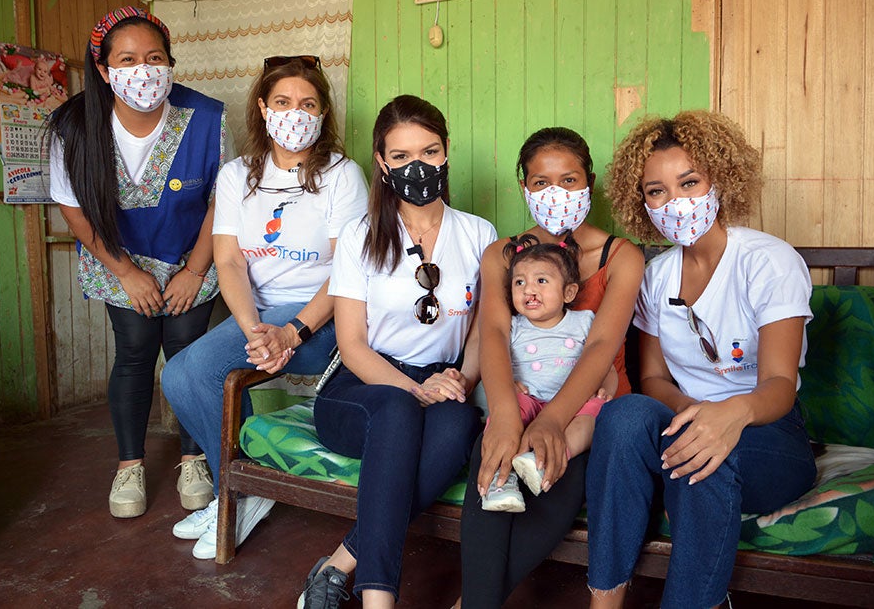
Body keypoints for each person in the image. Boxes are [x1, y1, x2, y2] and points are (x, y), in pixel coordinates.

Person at [587, 110, 818, 608]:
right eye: (657, 191)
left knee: (704, 460)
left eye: (689, 182)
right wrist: (695, 415)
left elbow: (779, 383)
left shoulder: (769, 262)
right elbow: (651, 377)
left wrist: (726, 417)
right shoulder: (657, 275)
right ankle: (604, 601)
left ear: (719, 180)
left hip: (767, 431)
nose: (676, 202)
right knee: (625, 415)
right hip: (682, 418)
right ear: (641, 201)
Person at [163, 55, 369, 560]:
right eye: (282, 102)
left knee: (202, 370)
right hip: (259, 314)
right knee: (183, 375)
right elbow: (229, 260)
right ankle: (247, 487)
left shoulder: (343, 175)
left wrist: (292, 331)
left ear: (322, 114)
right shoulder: (238, 176)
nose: (294, 114)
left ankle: (243, 489)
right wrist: (256, 329)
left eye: (307, 104)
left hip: (325, 316)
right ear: (262, 107)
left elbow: (349, 270)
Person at [297, 95, 496, 609]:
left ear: (447, 151)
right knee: (399, 408)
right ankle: (377, 601)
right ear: (382, 163)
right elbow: (352, 345)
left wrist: (460, 382)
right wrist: (414, 389)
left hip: (443, 380)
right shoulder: (362, 237)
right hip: (359, 389)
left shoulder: (479, 235)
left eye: (429, 151)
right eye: (402, 156)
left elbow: (482, 331)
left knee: (456, 425)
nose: (418, 167)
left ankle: (339, 563)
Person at [47, 6, 228, 519]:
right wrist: (125, 271)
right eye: (127, 60)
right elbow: (73, 208)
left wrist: (195, 270)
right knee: (134, 353)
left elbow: (223, 199)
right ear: (104, 70)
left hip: (193, 254)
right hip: (119, 259)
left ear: (171, 63)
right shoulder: (73, 126)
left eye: (154, 57)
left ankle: (193, 458)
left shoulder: (207, 118)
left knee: (189, 357)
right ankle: (130, 464)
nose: (143, 70)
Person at [459, 127, 645, 609]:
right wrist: (503, 417)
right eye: (541, 183)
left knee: (556, 473)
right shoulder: (503, 255)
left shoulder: (620, 256)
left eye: (569, 180)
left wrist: (551, 423)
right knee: (493, 459)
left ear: (590, 183)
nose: (555, 193)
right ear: (523, 185)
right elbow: (495, 333)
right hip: (520, 397)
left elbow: (602, 344)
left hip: (591, 409)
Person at [480, 234, 616, 512]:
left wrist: (606, 387)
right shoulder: (515, 327)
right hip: (530, 400)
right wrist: (512, 386)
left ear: (568, 292)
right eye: (520, 283)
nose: (529, 290)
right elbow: (499, 366)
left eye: (541, 281)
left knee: (593, 417)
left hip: (570, 407)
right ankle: (501, 480)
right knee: (505, 415)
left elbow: (605, 363)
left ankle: (548, 458)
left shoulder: (583, 322)